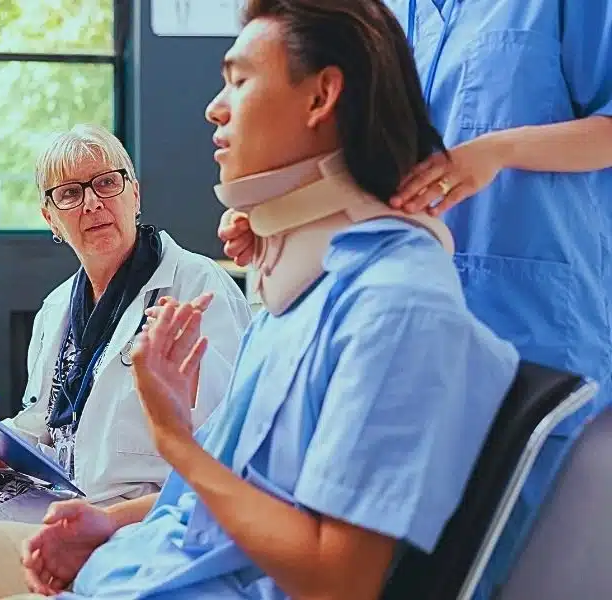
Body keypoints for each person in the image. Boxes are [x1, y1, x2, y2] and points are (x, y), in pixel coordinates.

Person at [0, 1, 520, 599]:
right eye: (69, 194)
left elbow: (337, 579)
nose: (215, 108)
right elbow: (224, 486)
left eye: (239, 80)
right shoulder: (306, 295)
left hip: (173, 578)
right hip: (140, 551)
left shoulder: (393, 305)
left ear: (320, 97)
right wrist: (108, 522)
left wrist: (173, 440)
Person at [223, 1, 612, 596]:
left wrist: (498, 150)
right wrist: (283, 221)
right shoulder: (390, 12)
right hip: (399, 332)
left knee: (509, 566)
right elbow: (368, 156)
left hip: (537, 320)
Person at [0, 124, 252, 519]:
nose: (91, 204)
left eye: (106, 183)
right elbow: (47, 432)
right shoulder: (56, 309)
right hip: (61, 502)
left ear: (134, 194)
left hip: (145, 520)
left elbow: (227, 444)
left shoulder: (198, 286)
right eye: (70, 193)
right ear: (50, 219)